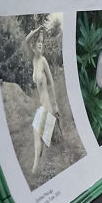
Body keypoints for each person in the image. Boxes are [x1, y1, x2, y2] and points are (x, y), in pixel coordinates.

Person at [25, 26, 60, 175]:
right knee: (42, 141)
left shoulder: (43, 61)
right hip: (41, 105)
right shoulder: (34, 60)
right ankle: (39, 169)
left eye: (42, 42)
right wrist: (38, 29)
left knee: (37, 135)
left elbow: (51, 83)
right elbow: (26, 40)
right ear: (34, 45)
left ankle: (35, 169)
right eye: (38, 42)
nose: (40, 44)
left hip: (47, 106)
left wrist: (56, 104)